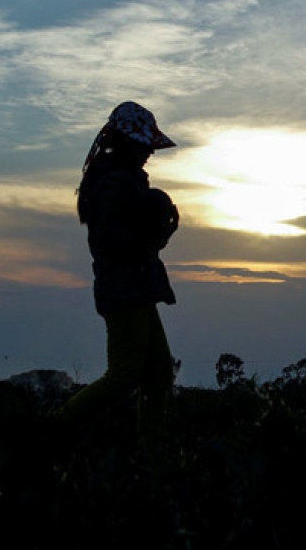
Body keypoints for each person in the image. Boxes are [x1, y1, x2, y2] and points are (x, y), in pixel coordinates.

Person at [55, 101, 179, 444]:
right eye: (144, 145)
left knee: (158, 373)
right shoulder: (114, 182)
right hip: (124, 286)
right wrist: (152, 232)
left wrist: (155, 233)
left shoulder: (120, 179)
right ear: (127, 142)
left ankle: (150, 451)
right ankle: (53, 429)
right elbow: (110, 238)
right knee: (125, 375)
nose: (149, 153)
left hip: (134, 284)